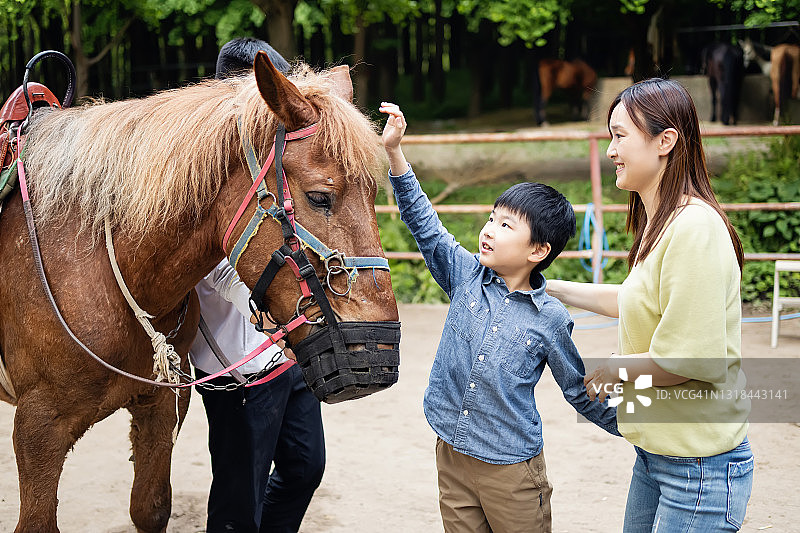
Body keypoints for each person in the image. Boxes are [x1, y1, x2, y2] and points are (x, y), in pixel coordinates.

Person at [379, 101, 619, 533]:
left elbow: (577, 389)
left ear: (538, 251)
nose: (489, 229)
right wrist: (395, 153)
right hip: (451, 455)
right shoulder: (465, 274)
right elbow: (425, 223)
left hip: (512, 472)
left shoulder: (549, 318)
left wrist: (642, 429)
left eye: (507, 226)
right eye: (492, 218)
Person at [545, 78, 753, 532]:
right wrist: (551, 287)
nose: (610, 150)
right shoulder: (663, 223)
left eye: (620, 136)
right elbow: (636, 301)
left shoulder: (694, 228)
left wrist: (614, 371)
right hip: (658, 455)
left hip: (697, 466)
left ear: (665, 141)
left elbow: (690, 359)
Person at [188, 38, 324, 533]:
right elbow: (204, 262)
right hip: (236, 360)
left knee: (306, 467)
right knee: (237, 492)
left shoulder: (272, 159)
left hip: (286, 345)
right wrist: (267, 302)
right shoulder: (201, 161)